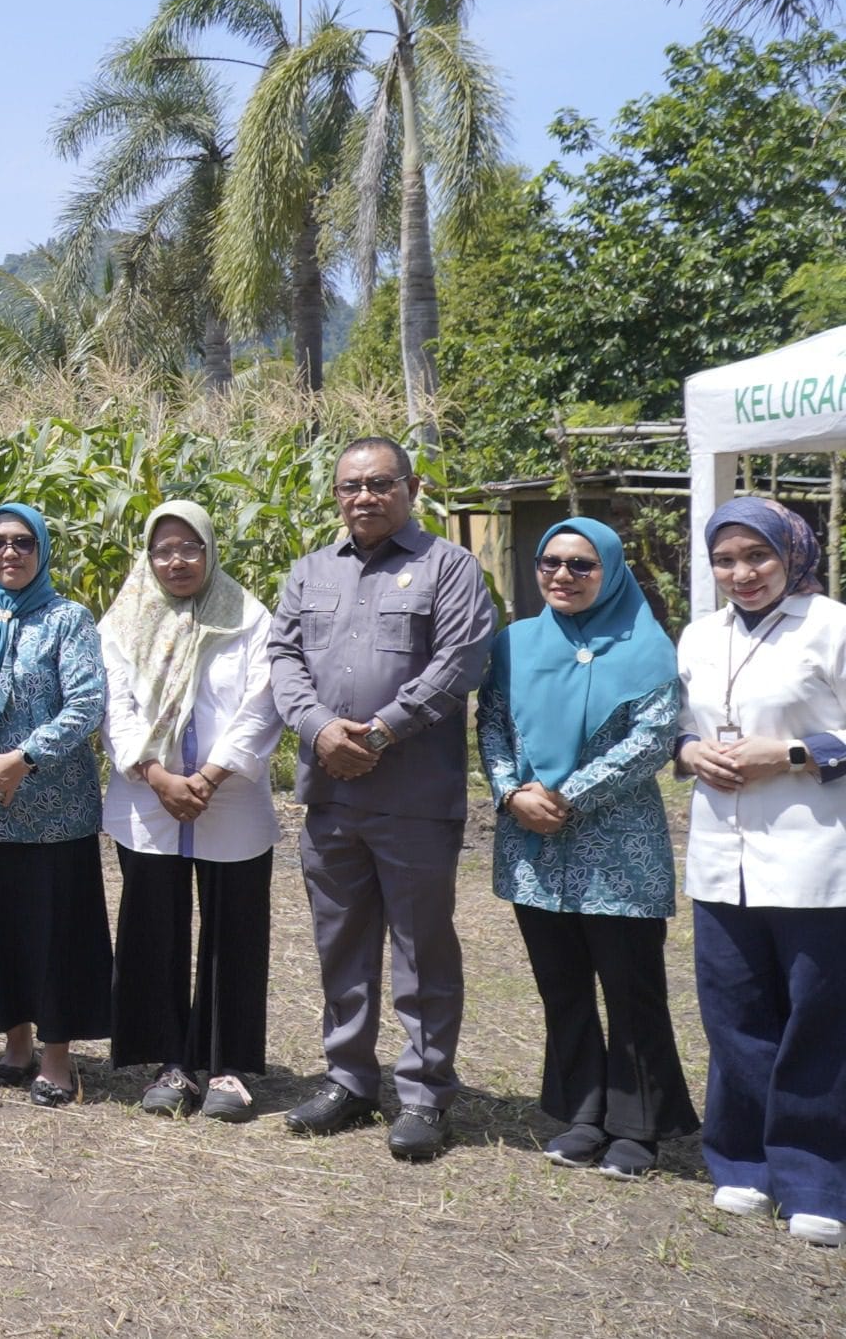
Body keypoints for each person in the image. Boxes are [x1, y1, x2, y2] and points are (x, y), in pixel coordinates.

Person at [268, 436, 496, 1162]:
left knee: (421, 946)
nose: (362, 497)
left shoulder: (448, 569)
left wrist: (379, 733)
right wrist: (316, 727)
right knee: (341, 942)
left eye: (378, 484)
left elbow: (461, 658)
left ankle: (426, 1094)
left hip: (414, 797)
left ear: (412, 487)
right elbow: (282, 657)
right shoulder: (310, 573)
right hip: (329, 797)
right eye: (348, 487)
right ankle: (349, 1079)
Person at [481, 517, 695, 1180]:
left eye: (581, 565)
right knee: (562, 986)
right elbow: (489, 723)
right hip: (533, 848)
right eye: (551, 563)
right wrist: (512, 790)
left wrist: (568, 795)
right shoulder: (514, 644)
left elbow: (655, 737)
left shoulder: (649, 646)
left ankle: (639, 1127)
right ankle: (582, 1112)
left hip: (617, 849)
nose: (563, 576)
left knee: (631, 989)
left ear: (610, 570)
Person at [674, 497, 846, 1247]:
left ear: (791, 553)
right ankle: (742, 1163)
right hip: (722, 856)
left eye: (757, 556)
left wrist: (795, 753)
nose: (741, 573)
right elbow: (684, 721)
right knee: (735, 1015)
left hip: (815, 854)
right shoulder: (699, 635)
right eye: (725, 559)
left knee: (817, 1019)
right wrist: (687, 753)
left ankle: (817, 1178)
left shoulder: (831, 626)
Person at [99, 500, 283, 1123]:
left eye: (189, 548)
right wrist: (155, 775)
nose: (176, 561)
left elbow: (263, 704)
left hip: (228, 798)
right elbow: (115, 706)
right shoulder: (125, 619)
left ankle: (227, 1066)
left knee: (234, 930)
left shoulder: (250, 617)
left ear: (210, 550)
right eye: (163, 550)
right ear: (148, 556)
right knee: (155, 928)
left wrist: (206, 776)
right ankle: (169, 1062)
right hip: (148, 800)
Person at [0, 503, 109, 1107]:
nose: (9, 553)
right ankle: (15, 1044)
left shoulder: (68, 619)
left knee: (56, 936)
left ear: (42, 550)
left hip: (53, 813)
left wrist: (24, 757)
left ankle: (58, 1057)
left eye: (21, 542)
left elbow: (86, 704)